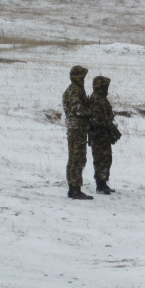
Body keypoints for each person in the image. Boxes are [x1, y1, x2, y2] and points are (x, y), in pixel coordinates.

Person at [62, 65, 93, 200]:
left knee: (74, 158)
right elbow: (77, 109)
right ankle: (75, 189)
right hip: (77, 129)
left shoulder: (74, 89)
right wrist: (90, 112)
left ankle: (73, 188)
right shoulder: (74, 90)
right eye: (82, 76)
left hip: (76, 128)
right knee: (78, 158)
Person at [89, 76, 121, 194]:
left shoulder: (102, 98)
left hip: (104, 134)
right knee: (100, 159)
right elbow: (98, 119)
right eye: (105, 86)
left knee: (107, 158)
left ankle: (104, 182)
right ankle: (100, 184)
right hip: (98, 134)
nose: (107, 88)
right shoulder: (96, 99)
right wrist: (111, 127)